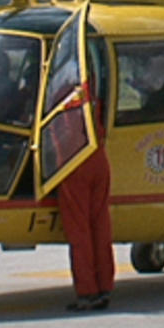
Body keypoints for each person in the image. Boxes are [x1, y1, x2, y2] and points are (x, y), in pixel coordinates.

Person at [57, 74, 114, 311]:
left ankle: (87, 291)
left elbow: (62, 132)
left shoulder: (60, 95)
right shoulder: (89, 92)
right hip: (98, 158)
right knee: (100, 225)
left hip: (74, 162)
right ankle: (104, 286)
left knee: (79, 230)